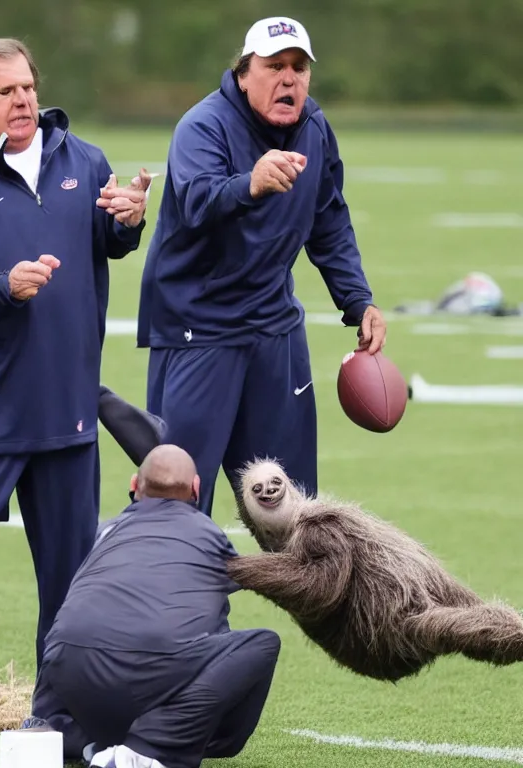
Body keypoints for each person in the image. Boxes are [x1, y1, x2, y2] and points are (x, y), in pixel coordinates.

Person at [0, 37, 152, 670]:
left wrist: (127, 220)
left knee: (73, 587)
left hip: (67, 404)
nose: (23, 101)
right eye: (5, 92)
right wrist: (3, 288)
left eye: (29, 88)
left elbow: (110, 240)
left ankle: (65, 709)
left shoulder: (85, 161)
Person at [136, 16, 388, 518]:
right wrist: (249, 184)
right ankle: (182, 598)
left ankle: (312, 596)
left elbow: (330, 222)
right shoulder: (203, 126)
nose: (288, 79)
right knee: (176, 495)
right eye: (275, 66)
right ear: (244, 72)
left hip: (273, 327)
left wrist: (357, 300)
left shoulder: (314, 128)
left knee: (295, 509)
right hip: (199, 329)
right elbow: (196, 201)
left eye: (299, 68)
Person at [29, 445, 281, 768]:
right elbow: (216, 624)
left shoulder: (105, 532)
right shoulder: (208, 534)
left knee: (75, 628)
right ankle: (147, 748)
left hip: (69, 669)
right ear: (195, 489)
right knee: (262, 644)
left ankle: (57, 733)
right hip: (153, 671)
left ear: (135, 486)